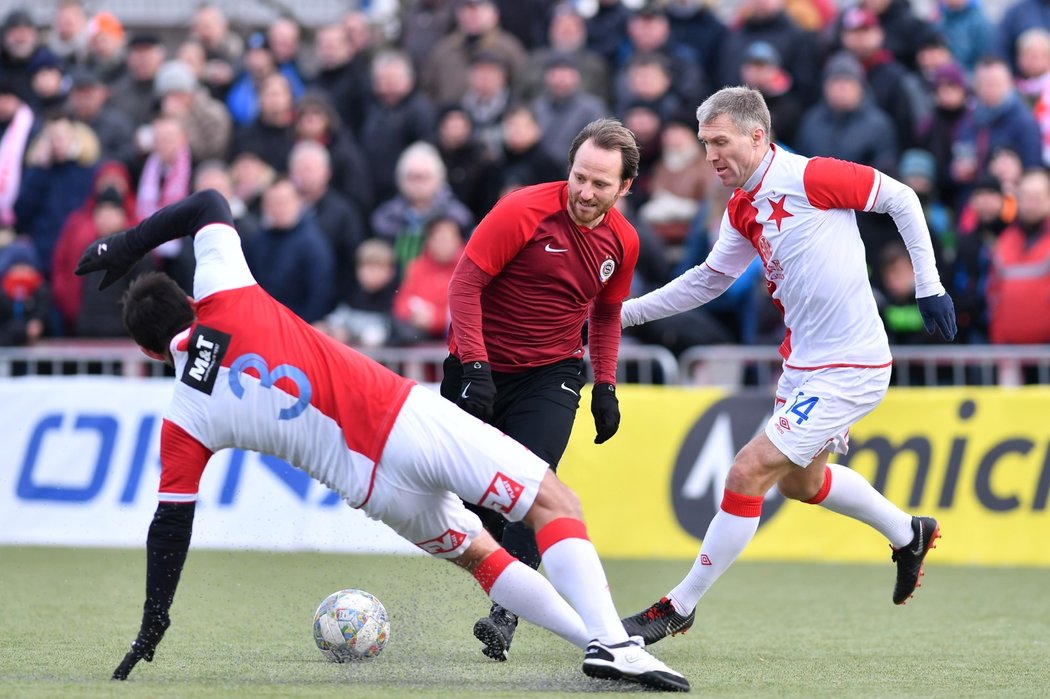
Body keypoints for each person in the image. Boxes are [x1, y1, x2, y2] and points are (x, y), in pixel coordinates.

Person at [72, 189, 688, 692]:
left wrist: (154, 622)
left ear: (151, 353)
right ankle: (617, 646)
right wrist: (124, 245)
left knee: (484, 559)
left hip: (371, 490)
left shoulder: (185, 418)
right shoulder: (225, 292)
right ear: (188, 298)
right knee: (556, 503)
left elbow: (170, 526)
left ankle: (602, 645)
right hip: (402, 422)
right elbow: (206, 202)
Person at [617, 86, 956, 645]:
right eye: (704, 144)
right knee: (802, 483)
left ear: (757, 135)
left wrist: (929, 287)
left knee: (747, 472)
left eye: (719, 142)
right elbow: (709, 279)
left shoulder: (809, 175)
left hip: (852, 365)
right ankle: (908, 533)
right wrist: (624, 315)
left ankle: (679, 605)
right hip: (803, 367)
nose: (710, 156)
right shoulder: (740, 207)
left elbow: (901, 198)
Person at [440, 117, 639, 661]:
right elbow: (465, 283)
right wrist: (476, 365)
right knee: (465, 502)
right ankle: (499, 571)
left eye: (601, 184)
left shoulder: (623, 242)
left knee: (531, 487)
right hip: (475, 367)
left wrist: (605, 386)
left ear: (624, 188)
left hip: (551, 374)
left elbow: (605, 316)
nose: (585, 191)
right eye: (579, 177)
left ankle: (506, 615)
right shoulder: (521, 211)